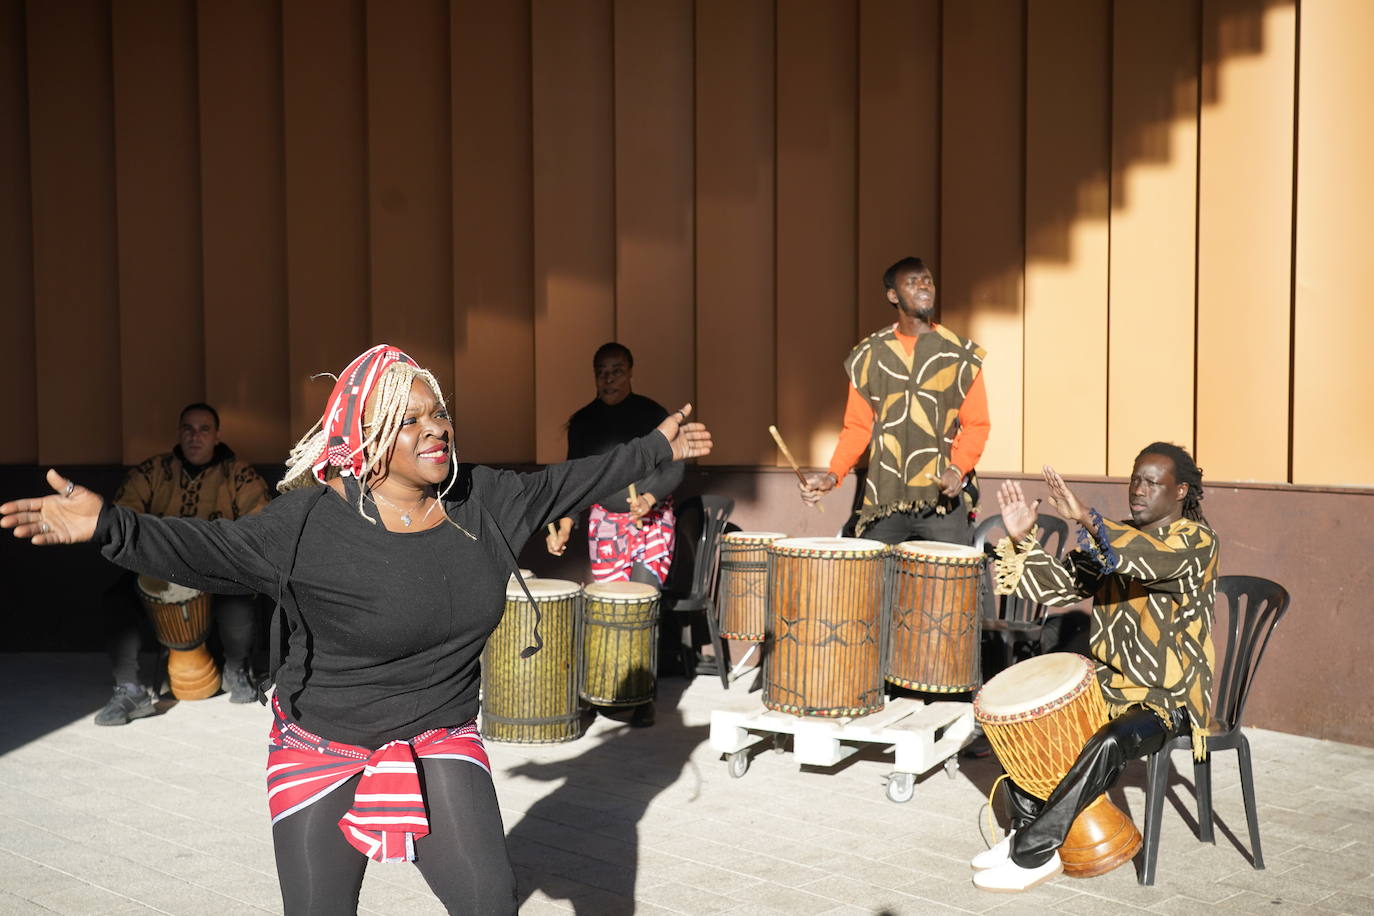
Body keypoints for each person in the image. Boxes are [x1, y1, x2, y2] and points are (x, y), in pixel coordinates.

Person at [2, 344, 712, 915]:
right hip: (322, 745)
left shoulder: (485, 501)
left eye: (439, 414)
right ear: (366, 436)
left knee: (491, 901)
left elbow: (574, 479)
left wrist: (654, 444)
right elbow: (209, 551)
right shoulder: (309, 521)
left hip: (440, 734)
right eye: (410, 419)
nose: (436, 427)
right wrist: (109, 525)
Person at [970, 442, 1217, 892]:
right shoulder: (1113, 539)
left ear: (1180, 490)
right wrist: (1023, 540)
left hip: (1171, 697)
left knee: (1107, 741)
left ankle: (1033, 851)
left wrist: (1084, 516)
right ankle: (1025, 835)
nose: (1138, 490)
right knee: (1039, 726)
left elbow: (1148, 559)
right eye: (1135, 479)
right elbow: (1061, 589)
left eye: (1152, 482)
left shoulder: (1196, 542)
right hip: (1110, 686)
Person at [95, 402, 271, 725]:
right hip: (162, 571)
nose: (195, 436)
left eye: (204, 429)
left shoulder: (238, 473)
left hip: (217, 569)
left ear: (216, 436)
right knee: (117, 599)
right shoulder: (154, 471)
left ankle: (237, 669)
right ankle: (129, 688)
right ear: (179, 433)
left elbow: (260, 517)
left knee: (240, 598)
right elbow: (124, 510)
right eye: (188, 429)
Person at [799, 256, 991, 546]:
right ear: (893, 295)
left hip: (941, 498)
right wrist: (832, 477)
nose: (924, 286)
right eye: (912, 282)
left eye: (927, 280)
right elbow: (857, 428)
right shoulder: (869, 356)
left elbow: (977, 424)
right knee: (873, 584)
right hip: (885, 498)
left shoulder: (960, 355)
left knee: (955, 584)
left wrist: (956, 469)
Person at [546, 342, 685, 585]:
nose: (608, 378)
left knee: (643, 601)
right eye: (601, 372)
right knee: (613, 610)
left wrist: (649, 499)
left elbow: (675, 467)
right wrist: (565, 529)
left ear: (631, 372)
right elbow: (576, 479)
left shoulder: (653, 414)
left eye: (617, 371)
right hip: (605, 523)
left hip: (651, 521)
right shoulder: (583, 422)